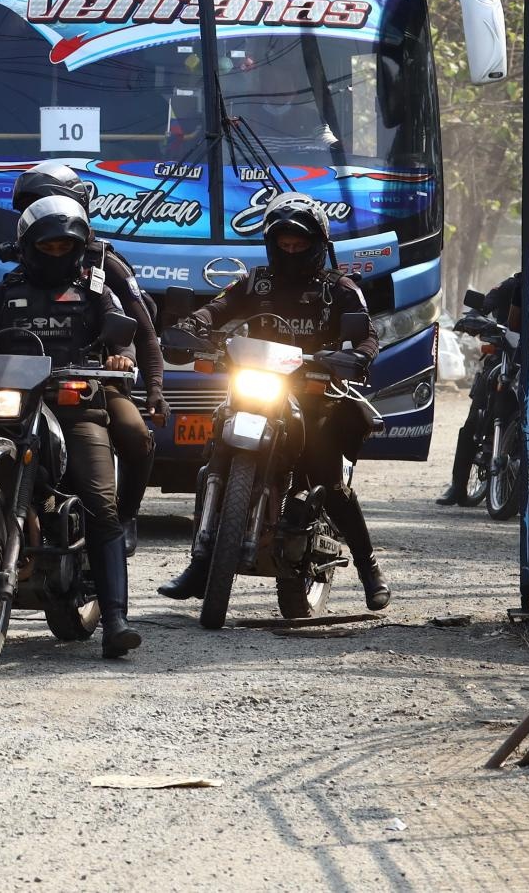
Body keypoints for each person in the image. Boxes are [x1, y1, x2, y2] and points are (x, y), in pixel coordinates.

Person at [156, 192, 391, 610]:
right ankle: (200, 561)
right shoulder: (254, 282)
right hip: (256, 386)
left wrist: (356, 355)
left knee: (326, 473)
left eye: (299, 244)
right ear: (272, 244)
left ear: (317, 243)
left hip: (314, 394)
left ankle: (369, 568)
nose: (291, 251)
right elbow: (217, 308)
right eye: (284, 244)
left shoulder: (339, 288)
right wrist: (192, 325)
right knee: (214, 457)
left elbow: (367, 334)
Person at [0, 193, 144, 659]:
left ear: (76, 249)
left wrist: (119, 357)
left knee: (100, 503)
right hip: (9, 406)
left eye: (63, 249)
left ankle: (115, 620)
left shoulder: (94, 291)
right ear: (28, 247)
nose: (55, 256)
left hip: (74, 405)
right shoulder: (5, 293)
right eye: (46, 248)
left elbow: (122, 335)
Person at [3, 162, 165, 555]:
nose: (46, 216)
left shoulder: (104, 264)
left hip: (92, 381)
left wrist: (152, 386)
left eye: (53, 203)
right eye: (36, 207)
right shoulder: (20, 265)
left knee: (135, 434)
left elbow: (140, 330)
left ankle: (122, 516)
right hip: (24, 385)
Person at [437, 271, 522, 507]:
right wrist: (474, 318)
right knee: (474, 421)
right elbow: (485, 304)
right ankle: (458, 486)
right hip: (503, 358)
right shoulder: (513, 285)